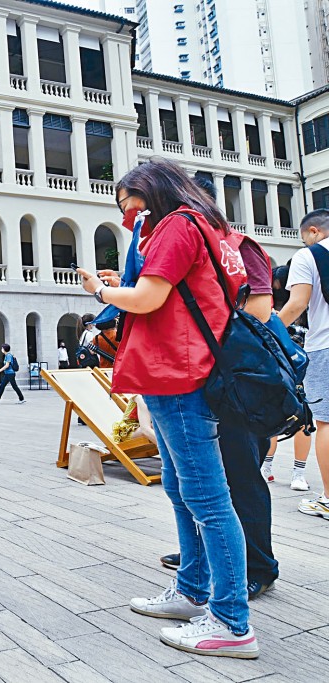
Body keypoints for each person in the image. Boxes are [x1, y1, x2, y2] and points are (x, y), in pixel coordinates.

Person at [78, 159, 257, 658]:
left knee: (207, 499)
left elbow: (149, 298)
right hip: (183, 370)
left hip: (176, 371)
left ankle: (231, 622)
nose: (126, 217)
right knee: (183, 488)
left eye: (128, 205)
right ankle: (193, 590)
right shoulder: (205, 225)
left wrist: (100, 289)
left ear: (150, 192)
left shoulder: (176, 226)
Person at [155, 174, 279, 600]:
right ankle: (208, 559)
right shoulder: (195, 242)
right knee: (203, 479)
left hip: (239, 381)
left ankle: (259, 565)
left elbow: (260, 311)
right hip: (206, 379)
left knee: (239, 475)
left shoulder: (237, 246)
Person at [278, 208, 329, 520]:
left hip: (326, 345)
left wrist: (265, 333)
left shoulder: (308, 255)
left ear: (313, 231)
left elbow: (297, 303)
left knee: (325, 422)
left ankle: (327, 498)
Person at [261, 263, 311, 491]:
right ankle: (297, 473)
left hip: (278, 374)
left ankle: (266, 468)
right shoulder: (306, 313)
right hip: (302, 373)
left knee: (272, 419)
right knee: (304, 423)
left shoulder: (272, 316)